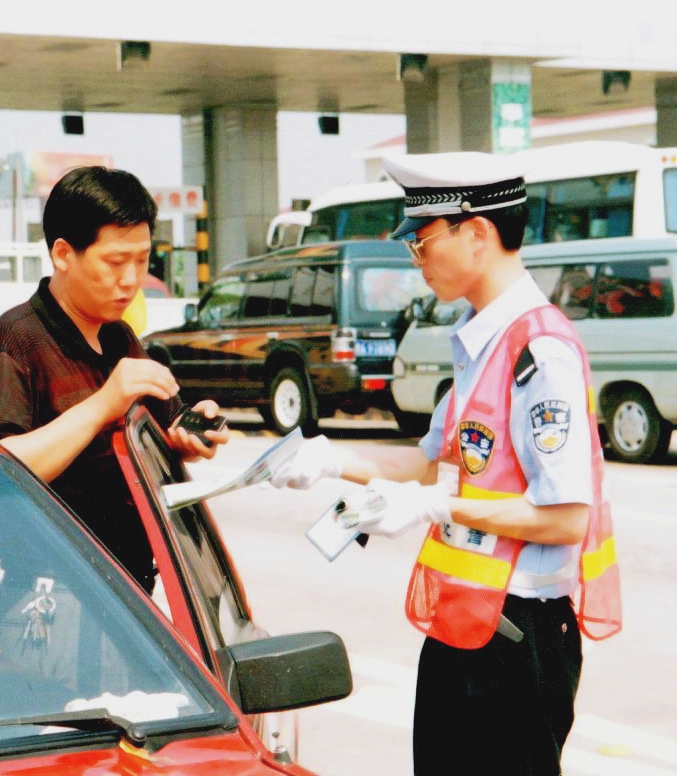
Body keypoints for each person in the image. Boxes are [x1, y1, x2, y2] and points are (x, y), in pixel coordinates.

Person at [269, 151, 621, 775]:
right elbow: (433, 464)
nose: (415, 258)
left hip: (519, 635)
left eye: (423, 240)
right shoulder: (479, 339)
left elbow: (566, 516)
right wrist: (331, 459)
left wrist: (434, 506)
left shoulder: (538, 349)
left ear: (478, 234)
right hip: (467, 625)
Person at [0, 166, 229, 593]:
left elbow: (167, 421)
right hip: (53, 596)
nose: (130, 281)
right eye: (114, 262)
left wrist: (187, 431)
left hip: (128, 591)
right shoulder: (11, 345)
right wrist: (103, 405)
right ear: (63, 254)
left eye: (142, 261)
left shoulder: (118, 335)